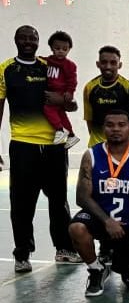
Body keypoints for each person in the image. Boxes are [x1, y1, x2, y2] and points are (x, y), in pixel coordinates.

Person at [0, 25, 80, 272]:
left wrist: (63, 100)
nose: (28, 42)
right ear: (15, 40)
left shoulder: (50, 65)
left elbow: (72, 105)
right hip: (23, 145)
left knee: (58, 200)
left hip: (55, 145)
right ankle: (22, 254)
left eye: (32, 38)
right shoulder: (6, 69)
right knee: (21, 203)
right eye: (23, 38)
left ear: (38, 42)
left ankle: (64, 249)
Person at [69, 110, 129, 296]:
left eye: (121, 125)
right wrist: (107, 221)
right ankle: (96, 270)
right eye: (110, 125)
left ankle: (124, 257)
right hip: (102, 221)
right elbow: (82, 197)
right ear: (103, 128)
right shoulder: (91, 155)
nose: (116, 129)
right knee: (77, 228)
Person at [83, 45, 129, 147]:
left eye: (113, 63)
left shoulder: (128, 87)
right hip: (97, 145)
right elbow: (89, 119)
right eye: (104, 62)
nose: (108, 66)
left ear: (120, 65)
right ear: (98, 64)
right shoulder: (89, 87)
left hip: (122, 145)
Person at [44, 30, 79, 148]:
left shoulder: (70, 65)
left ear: (69, 49)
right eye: (57, 48)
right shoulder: (47, 61)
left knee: (47, 109)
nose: (61, 51)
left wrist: (70, 92)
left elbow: (72, 80)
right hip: (51, 90)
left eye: (65, 49)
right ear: (51, 48)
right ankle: (72, 135)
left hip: (61, 93)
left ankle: (59, 130)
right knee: (61, 115)